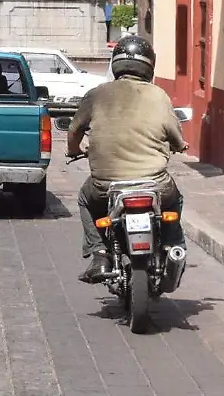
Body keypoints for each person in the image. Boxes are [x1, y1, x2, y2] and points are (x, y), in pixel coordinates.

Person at [65, 35, 186, 283]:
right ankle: (173, 245)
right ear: (149, 66)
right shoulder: (159, 95)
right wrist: (180, 145)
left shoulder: (96, 95)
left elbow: (74, 131)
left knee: (85, 200)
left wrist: (74, 150)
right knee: (175, 200)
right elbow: (175, 136)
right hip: (155, 185)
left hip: (105, 186)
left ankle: (99, 254)